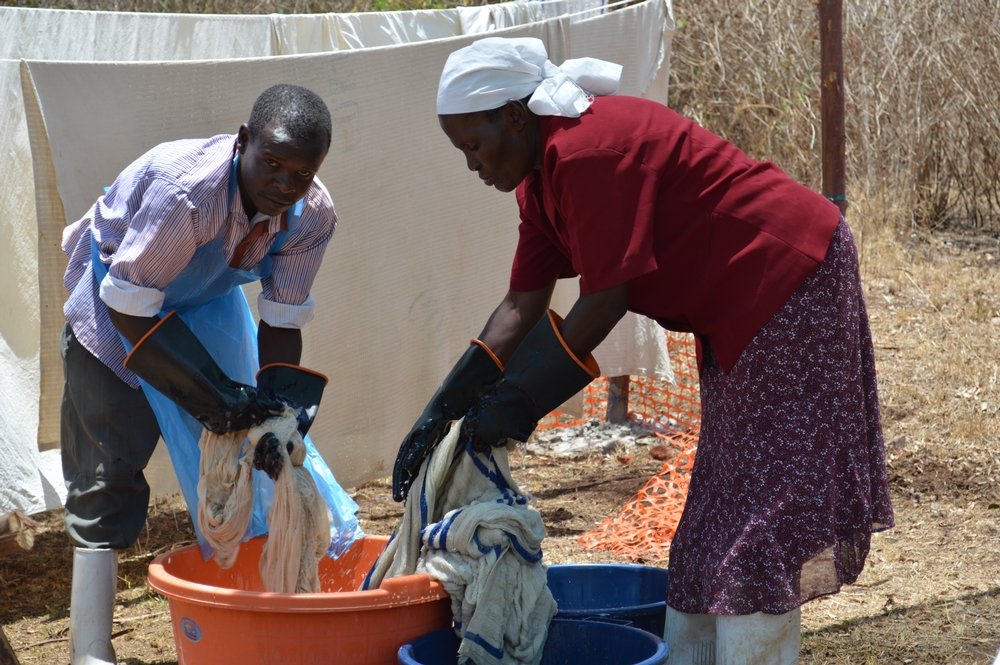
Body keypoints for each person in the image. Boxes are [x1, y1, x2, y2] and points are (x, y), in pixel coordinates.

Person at [392, 37, 894, 664]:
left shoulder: (586, 152)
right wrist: (446, 410)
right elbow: (522, 303)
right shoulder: (541, 180)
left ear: (514, 117)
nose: (472, 164)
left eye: (474, 144)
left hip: (789, 278)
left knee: (758, 515)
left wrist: (517, 407)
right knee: (719, 506)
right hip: (736, 306)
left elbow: (605, 299)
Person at [60, 83, 340, 665]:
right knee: (108, 471)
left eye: (303, 172)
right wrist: (211, 398)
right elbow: (131, 304)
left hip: (207, 306)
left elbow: (283, 317)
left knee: (258, 458)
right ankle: (89, 650)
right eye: (273, 163)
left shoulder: (310, 216)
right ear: (243, 142)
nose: (285, 185)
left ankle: (268, 613)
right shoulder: (186, 192)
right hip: (118, 303)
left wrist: (277, 412)